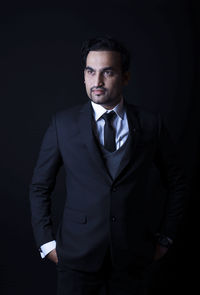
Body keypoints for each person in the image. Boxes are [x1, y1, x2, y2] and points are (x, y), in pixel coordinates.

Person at [29, 36, 188, 295]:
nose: (97, 82)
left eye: (108, 72)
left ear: (125, 77)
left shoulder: (150, 124)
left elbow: (177, 181)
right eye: (90, 72)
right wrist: (46, 243)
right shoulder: (63, 124)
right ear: (83, 76)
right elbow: (39, 186)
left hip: (134, 257)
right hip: (76, 258)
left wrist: (166, 237)